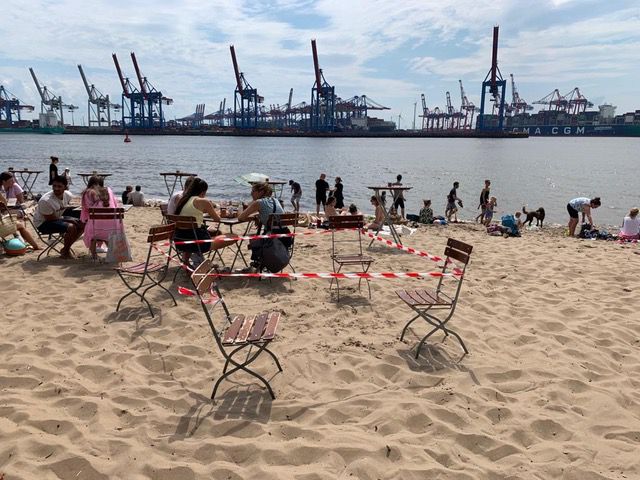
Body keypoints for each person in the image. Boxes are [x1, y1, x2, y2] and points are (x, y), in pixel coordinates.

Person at [174, 178, 225, 267]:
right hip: (199, 243)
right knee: (233, 237)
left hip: (180, 240)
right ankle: (201, 262)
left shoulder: (183, 200)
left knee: (193, 231)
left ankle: (186, 261)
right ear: (203, 191)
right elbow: (217, 219)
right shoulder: (203, 201)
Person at [33, 175, 83, 258]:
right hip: (43, 223)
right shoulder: (45, 201)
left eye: (59, 186)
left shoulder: (68, 195)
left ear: (65, 187)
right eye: (54, 186)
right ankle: (66, 252)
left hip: (57, 216)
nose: (56, 188)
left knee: (83, 223)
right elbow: (50, 218)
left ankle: (65, 248)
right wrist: (71, 220)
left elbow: (72, 204)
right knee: (71, 227)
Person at [80, 175, 119, 258]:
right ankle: (112, 254)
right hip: (112, 227)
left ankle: (94, 255)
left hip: (95, 228)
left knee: (91, 232)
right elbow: (115, 205)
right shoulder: (109, 190)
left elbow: (87, 209)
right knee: (106, 231)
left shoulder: (88, 192)